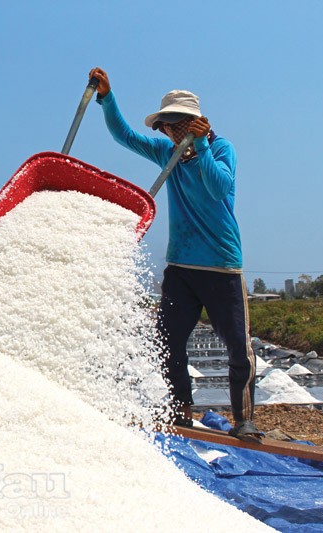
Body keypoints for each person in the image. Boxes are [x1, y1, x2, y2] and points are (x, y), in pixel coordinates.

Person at [88, 66, 262, 441]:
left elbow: (218, 189)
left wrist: (199, 149)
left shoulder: (220, 149)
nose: (170, 133)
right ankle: (181, 409)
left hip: (221, 265)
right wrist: (106, 97)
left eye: (177, 126)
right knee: (168, 342)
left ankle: (243, 419)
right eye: (167, 128)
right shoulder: (166, 152)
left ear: (194, 124)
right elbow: (124, 136)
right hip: (181, 267)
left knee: (238, 347)